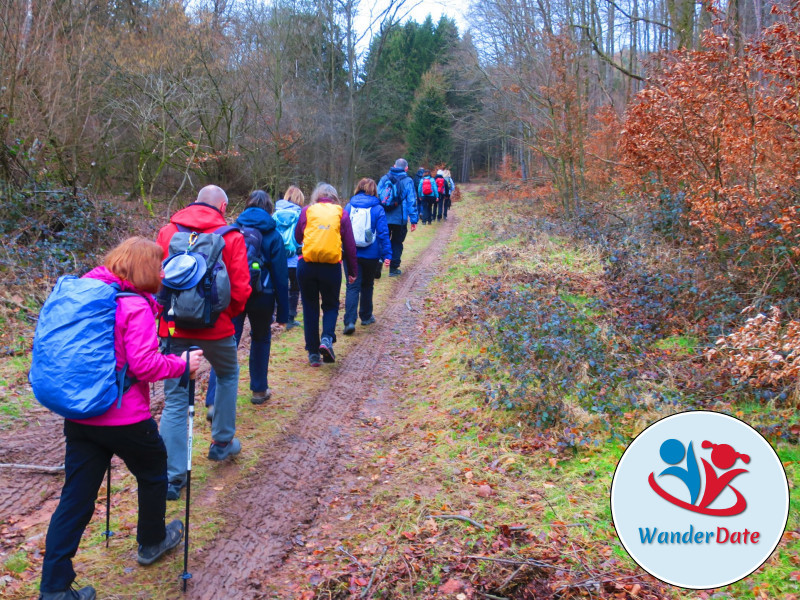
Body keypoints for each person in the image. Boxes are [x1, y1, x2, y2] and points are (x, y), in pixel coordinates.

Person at [38, 238, 203, 600]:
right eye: (158, 266)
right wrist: (183, 364)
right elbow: (144, 365)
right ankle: (151, 541)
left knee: (76, 498)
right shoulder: (133, 306)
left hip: (81, 414)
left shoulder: (87, 292)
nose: (162, 273)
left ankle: (53, 588)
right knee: (154, 468)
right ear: (144, 268)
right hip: (123, 416)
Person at [156, 185, 250, 501]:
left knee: (176, 398)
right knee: (226, 374)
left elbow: (158, 281)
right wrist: (226, 316)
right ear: (223, 206)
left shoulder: (168, 231)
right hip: (218, 328)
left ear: (194, 201)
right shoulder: (231, 236)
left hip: (174, 328)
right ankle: (222, 442)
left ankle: (172, 476)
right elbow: (240, 289)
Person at [204, 190, 289, 420]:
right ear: (269, 208)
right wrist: (284, 312)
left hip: (234, 294)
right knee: (261, 339)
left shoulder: (233, 230)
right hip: (263, 295)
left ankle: (213, 400)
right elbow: (281, 276)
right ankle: (259, 390)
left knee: (226, 343)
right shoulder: (273, 234)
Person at [294, 183, 357, 366]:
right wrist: (353, 271)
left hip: (306, 265)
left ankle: (313, 354)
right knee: (331, 305)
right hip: (331, 267)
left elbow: (298, 237)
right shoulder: (341, 213)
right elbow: (350, 246)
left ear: (316, 196)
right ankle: (327, 339)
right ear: (335, 197)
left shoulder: (307, 210)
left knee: (310, 306)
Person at [342, 178, 392, 334]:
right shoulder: (377, 208)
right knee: (367, 284)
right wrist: (387, 254)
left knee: (352, 286)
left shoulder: (349, 206)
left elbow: (342, 230)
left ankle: (349, 321)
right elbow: (383, 233)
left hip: (351, 254)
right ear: (374, 190)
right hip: (371, 254)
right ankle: (366, 316)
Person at [377, 158, 418, 276]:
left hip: (383, 217)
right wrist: (414, 219)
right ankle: (393, 269)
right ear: (406, 168)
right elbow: (411, 201)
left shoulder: (384, 178)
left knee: (382, 240)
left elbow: (378, 196)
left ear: (394, 165)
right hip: (400, 219)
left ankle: (378, 263)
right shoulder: (408, 180)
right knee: (397, 242)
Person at [274, 185, 305, 330]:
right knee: (294, 287)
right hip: (294, 257)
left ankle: (277, 316)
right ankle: (290, 318)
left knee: (279, 287)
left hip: (279, 257)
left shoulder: (276, 213)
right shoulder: (301, 214)